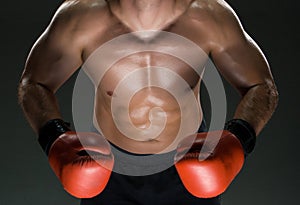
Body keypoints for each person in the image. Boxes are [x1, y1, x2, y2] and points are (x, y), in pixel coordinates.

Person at [18, 0, 278, 204]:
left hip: (189, 168)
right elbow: (33, 84)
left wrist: (236, 140)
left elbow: (262, 87)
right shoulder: (81, 18)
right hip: (109, 172)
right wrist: (55, 138)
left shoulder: (209, 17)